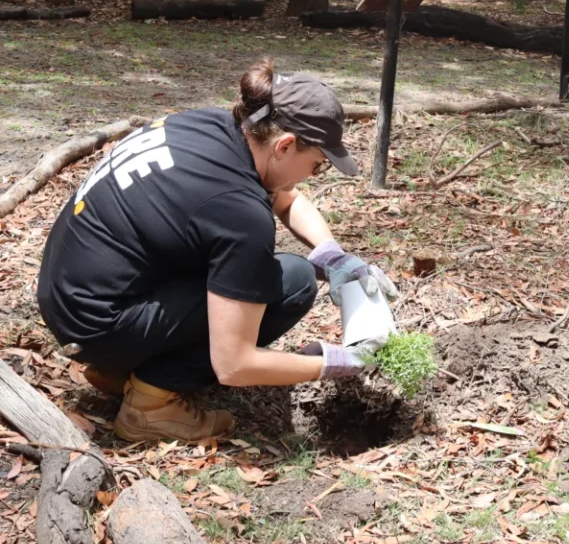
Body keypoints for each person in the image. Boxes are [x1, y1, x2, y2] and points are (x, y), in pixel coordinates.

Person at [37, 60, 397, 443]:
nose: (313, 175)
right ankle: (151, 403)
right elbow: (234, 365)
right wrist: (334, 363)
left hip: (69, 298)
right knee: (292, 282)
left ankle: (121, 368)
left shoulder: (213, 126)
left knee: (266, 273)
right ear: (285, 145)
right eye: (317, 165)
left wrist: (332, 254)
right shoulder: (240, 215)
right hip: (97, 327)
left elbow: (286, 198)